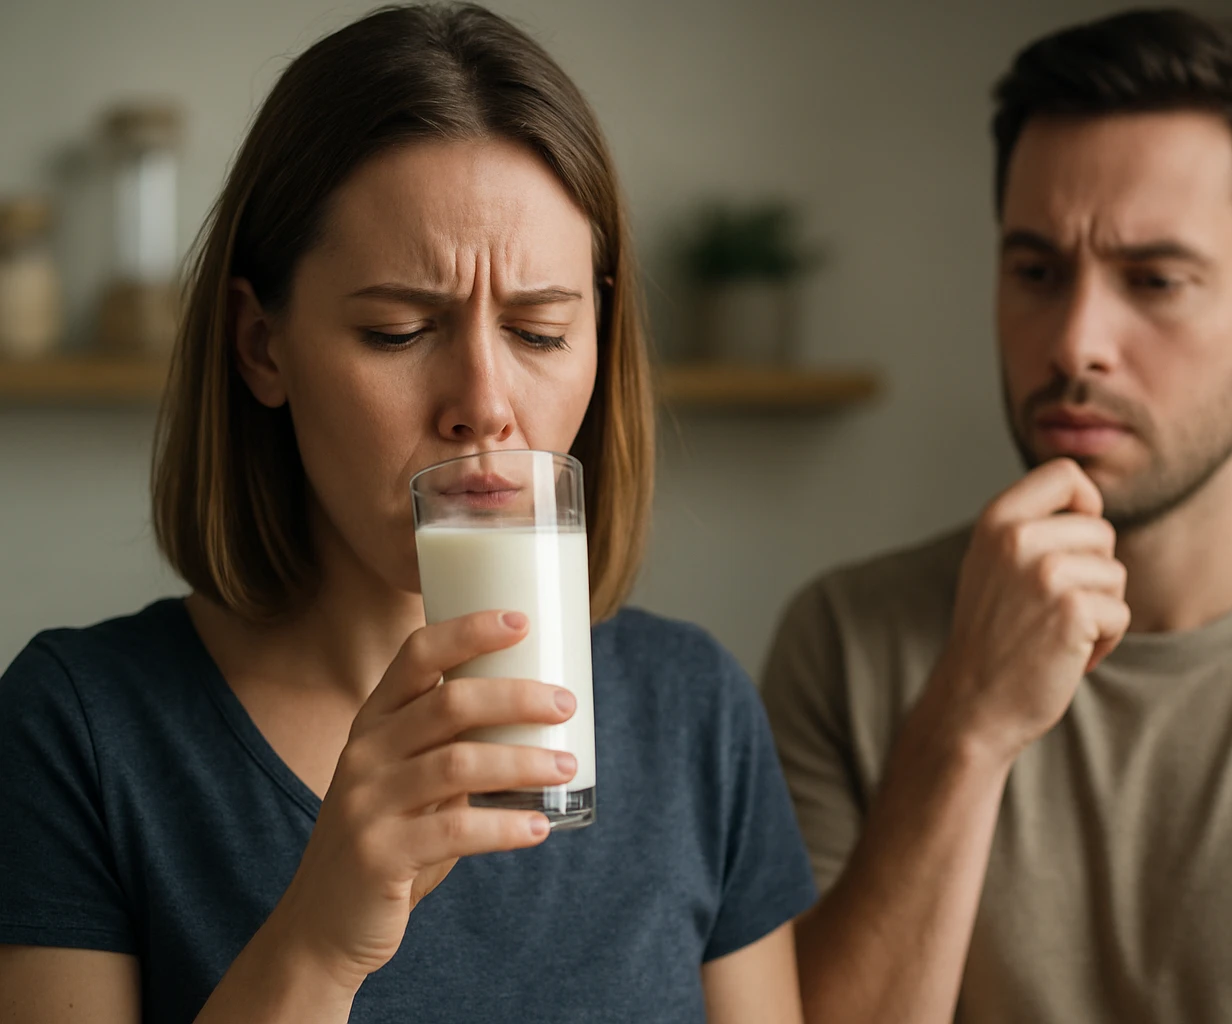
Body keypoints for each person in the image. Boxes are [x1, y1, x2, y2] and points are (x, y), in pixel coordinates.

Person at [0, 6, 814, 1022]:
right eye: (398, 330)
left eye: (540, 329)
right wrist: (318, 943)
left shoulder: (694, 712)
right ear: (262, 346)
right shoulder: (80, 730)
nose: (483, 398)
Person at [761, 8, 1232, 1024]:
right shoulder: (844, 644)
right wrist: (966, 726)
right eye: (1037, 272)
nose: (1077, 340)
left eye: (1155, 280)